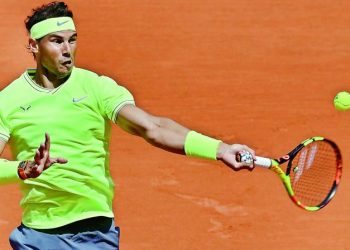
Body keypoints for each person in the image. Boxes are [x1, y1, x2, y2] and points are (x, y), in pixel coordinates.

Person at [0, 1, 256, 249]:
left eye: (72, 39)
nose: (67, 50)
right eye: (56, 41)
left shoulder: (96, 87)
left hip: (92, 232)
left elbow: (152, 127)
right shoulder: (8, 101)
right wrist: (24, 168)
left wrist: (219, 148)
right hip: (35, 235)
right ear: (34, 46)